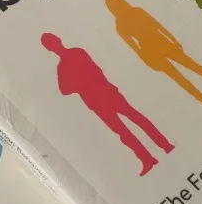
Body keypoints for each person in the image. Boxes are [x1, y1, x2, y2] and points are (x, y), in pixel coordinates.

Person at [40, 32, 173, 176]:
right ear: (50, 48)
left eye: (52, 42)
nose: (54, 46)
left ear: (58, 40)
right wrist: (81, 83)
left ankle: (164, 145)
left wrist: (79, 83)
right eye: (50, 45)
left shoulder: (76, 53)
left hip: (106, 92)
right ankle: (147, 158)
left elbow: (94, 71)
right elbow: (64, 90)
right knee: (123, 131)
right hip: (96, 102)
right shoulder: (62, 67)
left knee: (136, 118)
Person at [104, 0, 202, 110]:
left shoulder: (128, 18)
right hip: (154, 47)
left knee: (185, 74)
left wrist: (172, 40)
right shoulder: (127, 19)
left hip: (155, 46)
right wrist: (169, 42)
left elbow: (150, 31)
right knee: (187, 72)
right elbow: (142, 40)